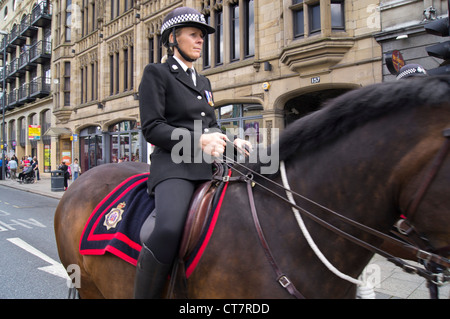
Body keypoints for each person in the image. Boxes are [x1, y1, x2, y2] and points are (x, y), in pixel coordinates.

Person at [135, 7, 251, 299]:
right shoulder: (157, 73)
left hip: (209, 164)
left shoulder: (204, 82)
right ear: (173, 38)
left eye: (202, 36)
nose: (200, 41)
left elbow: (211, 124)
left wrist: (233, 140)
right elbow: (153, 128)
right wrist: (198, 140)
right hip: (174, 167)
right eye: (194, 35)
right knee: (169, 229)